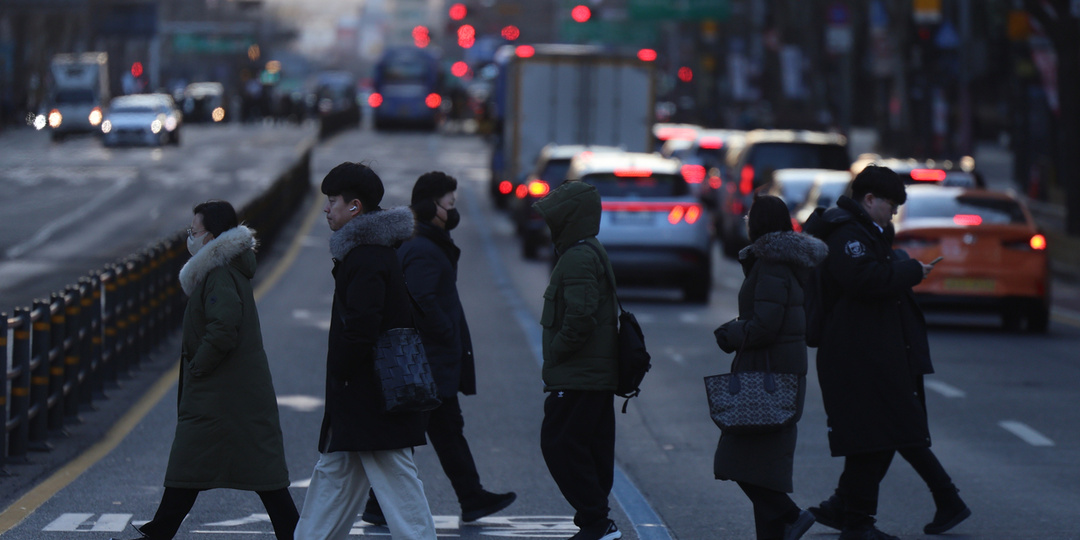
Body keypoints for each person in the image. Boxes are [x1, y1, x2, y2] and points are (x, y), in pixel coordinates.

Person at [802, 165, 970, 540]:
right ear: (870, 199)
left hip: (874, 349)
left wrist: (902, 267)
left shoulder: (868, 231)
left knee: (886, 429)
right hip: (856, 352)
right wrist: (909, 270)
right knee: (879, 432)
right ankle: (858, 518)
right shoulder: (848, 233)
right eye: (890, 205)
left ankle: (849, 507)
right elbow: (862, 279)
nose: (893, 213)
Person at [113, 200, 298, 540]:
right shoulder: (224, 271)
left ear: (211, 237)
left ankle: (162, 530)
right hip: (231, 393)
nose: (189, 236)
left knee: (200, 463)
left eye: (193, 231)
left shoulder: (220, 275)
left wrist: (198, 366)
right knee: (243, 470)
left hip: (221, 392)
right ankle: (162, 528)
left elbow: (223, 328)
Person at [361, 171, 516, 525]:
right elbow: (420, 297)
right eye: (449, 203)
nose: (453, 209)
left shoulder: (427, 243)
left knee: (444, 431)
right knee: (411, 434)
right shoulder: (424, 248)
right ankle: (379, 503)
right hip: (427, 361)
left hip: (431, 361)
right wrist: (446, 332)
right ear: (432, 206)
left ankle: (470, 496)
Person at [294, 162, 437, 540]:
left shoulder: (367, 257)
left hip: (372, 397)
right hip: (364, 398)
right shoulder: (369, 252)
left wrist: (341, 370)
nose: (326, 209)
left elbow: (361, 327)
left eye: (332, 201)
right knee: (334, 477)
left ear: (355, 207)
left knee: (395, 483)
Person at [713, 195, 826, 540]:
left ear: (757, 224)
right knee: (764, 468)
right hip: (778, 373)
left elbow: (765, 325)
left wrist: (730, 333)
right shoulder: (779, 261)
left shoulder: (773, 264)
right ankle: (778, 528)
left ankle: (791, 516)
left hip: (768, 376)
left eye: (749, 217)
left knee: (738, 463)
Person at [532, 181, 621, 540]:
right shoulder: (585, 251)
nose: (548, 225)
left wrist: (558, 351)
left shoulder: (579, 256)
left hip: (580, 374)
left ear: (569, 219)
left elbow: (580, 316)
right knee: (589, 445)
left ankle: (596, 520)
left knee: (559, 444)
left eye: (554, 218)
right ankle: (596, 523)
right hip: (589, 373)